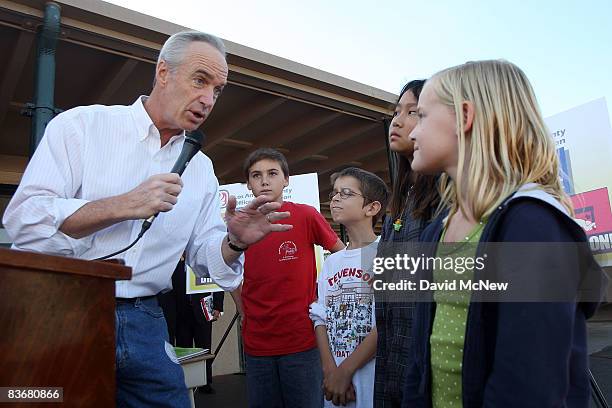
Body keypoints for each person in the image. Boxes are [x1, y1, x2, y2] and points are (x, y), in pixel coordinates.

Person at [2, 31, 291, 408]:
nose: (207, 99)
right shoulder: (81, 127)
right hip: (61, 310)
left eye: (217, 90)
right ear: (163, 72)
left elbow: (205, 256)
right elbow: (25, 219)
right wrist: (122, 204)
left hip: (146, 319)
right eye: (200, 80)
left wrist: (234, 242)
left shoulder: (200, 168)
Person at [403, 59, 605, 407]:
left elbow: (529, 387)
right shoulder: (437, 228)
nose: (412, 132)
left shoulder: (531, 225)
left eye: (421, 116)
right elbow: (421, 359)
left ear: (464, 117)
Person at [235, 148, 345, 408]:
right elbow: (231, 275)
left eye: (272, 173)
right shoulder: (239, 225)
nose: (264, 181)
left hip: (302, 341)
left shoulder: (306, 215)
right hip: (257, 344)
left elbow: (341, 254)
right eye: (256, 175)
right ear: (248, 184)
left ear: (286, 180)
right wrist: (242, 311)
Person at [373, 80, 439, 408]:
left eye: (412, 111)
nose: (397, 121)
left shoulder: (447, 195)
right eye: (396, 111)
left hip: (429, 366)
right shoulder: (399, 201)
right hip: (393, 361)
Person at [310, 167, 389, 408]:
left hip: (371, 380)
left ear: (372, 208)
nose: (335, 198)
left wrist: (346, 370)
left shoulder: (385, 253)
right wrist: (331, 370)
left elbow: (387, 318)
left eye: (346, 193)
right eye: (334, 193)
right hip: (335, 381)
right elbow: (319, 315)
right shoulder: (332, 261)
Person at [159, 258, 225, 394]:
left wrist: (218, 306)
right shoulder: (173, 262)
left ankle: (205, 383)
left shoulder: (204, 259)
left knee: (205, 346)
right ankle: (185, 382)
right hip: (181, 313)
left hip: (203, 309)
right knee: (184, 348)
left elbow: (217, 280)